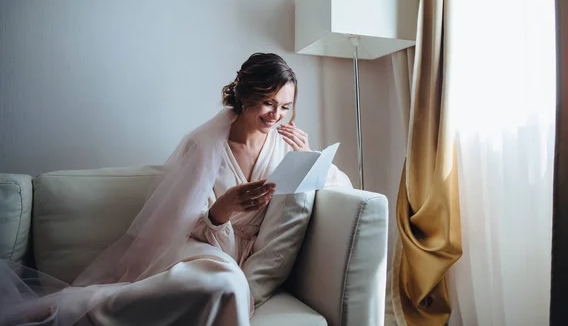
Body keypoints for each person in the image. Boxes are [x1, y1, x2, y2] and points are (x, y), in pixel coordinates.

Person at [0, 53, 351, 326]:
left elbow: (340, 186)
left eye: (285, 107)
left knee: (231, 283)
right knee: (223, 284)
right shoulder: (204, 145)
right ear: (245, 96)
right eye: (268, 103)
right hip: (201, 247)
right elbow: (180, 224)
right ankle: (70, 310)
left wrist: (309, 156)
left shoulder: (286, 145)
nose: (276, 115)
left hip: (253, 257)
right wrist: (221, 211)